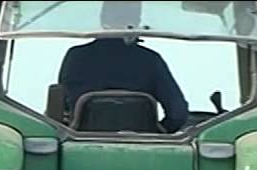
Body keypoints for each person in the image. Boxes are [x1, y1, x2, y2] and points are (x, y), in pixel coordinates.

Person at [57, 1, 189, 133]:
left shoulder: (75, 57)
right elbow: (178, 113)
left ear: (102, 19)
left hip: (80, 143)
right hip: (143, 145)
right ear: (136, 22)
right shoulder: (150, 59)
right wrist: (159, 133)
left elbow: (60, 107)